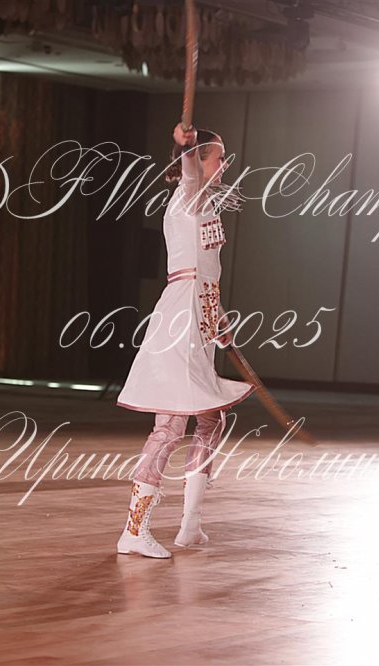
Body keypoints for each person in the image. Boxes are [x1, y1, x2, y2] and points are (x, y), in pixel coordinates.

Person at [114, 123, 255, 559]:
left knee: (212, 418)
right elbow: (190, 171)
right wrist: (186, 146)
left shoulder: (206, 203)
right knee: (171, 426)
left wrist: (219, 320)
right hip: (180, 320)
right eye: (219, 157)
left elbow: (208, 276)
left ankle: (190, 525)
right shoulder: (189, 195)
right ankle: (134, 530)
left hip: (200, 319)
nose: (225, 165)